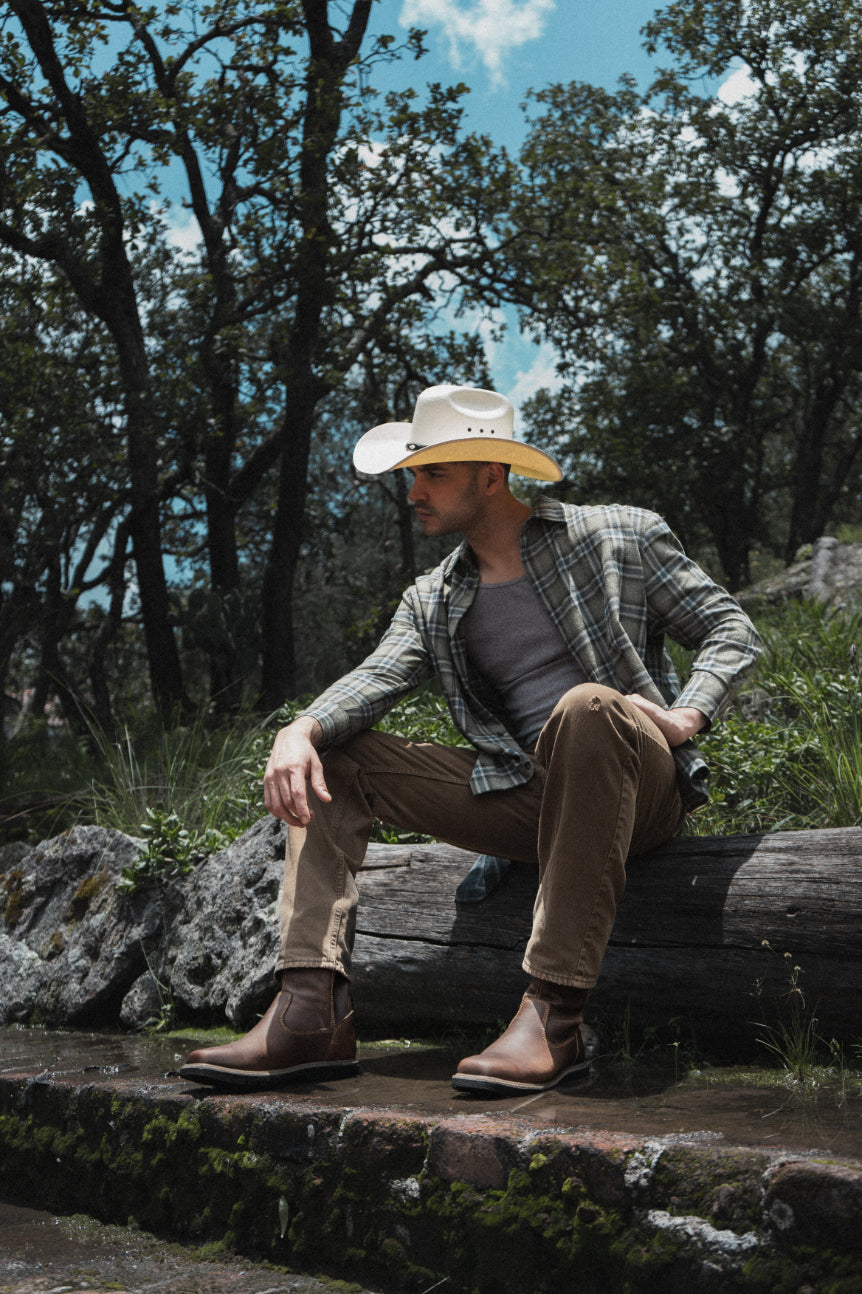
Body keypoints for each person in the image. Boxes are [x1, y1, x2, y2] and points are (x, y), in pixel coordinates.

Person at [180, 384, 761, 1095]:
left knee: (586, 707)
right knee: (336, 756)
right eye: (412, 473)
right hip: (527, 799)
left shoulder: (620, 535)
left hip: (638, 789)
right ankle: (310, 1011)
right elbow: (376, 678)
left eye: (433, 472)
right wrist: (298, 728)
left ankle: (554, 1016)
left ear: (491, 475)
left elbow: (730, 628)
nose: (414, 492)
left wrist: (687, 715)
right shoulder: (433, 597)